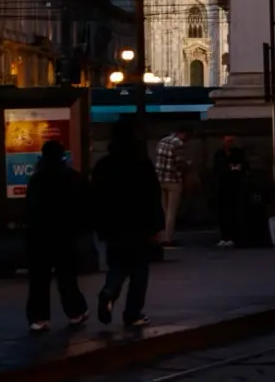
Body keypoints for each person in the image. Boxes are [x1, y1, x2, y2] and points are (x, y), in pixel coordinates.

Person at [93, 123, 164, 328]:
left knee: (117, 265)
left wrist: (100, 226)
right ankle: (132, 313)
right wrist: (156, 226)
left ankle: (109, 291)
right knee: (139, 271)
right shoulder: (142, 163)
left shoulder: (103, 165)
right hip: (139, 225)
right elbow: (152, 195)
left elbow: (96, 197)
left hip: (113, 226)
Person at [24, 140, 89, 331]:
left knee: (39, 279)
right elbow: (84, 206)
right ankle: (75, 312)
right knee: (67, 276)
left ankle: (38, 318)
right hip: (65, 234)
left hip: (39, 236)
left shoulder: (37, 179)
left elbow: (30, 210)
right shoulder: (72, 177)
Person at [212, 136, 249, 248]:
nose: (229, 143)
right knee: (223, 213)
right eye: (227, 141)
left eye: (231, 141)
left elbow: (242, 167)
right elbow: (217, 169)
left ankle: (234, 237)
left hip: (235, 186)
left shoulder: (238, 153)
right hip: (222, 187)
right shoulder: (219, 154)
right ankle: (224, 237)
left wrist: (232, 169)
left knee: (234, 212)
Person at [154, 127, 187, 246]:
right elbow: (180, 162)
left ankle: (161, 236)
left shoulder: (162, 141)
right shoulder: (178, 143)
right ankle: (168, 238)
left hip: (160, 179)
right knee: (171, 212)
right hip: (173, 180)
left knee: (163, 210)